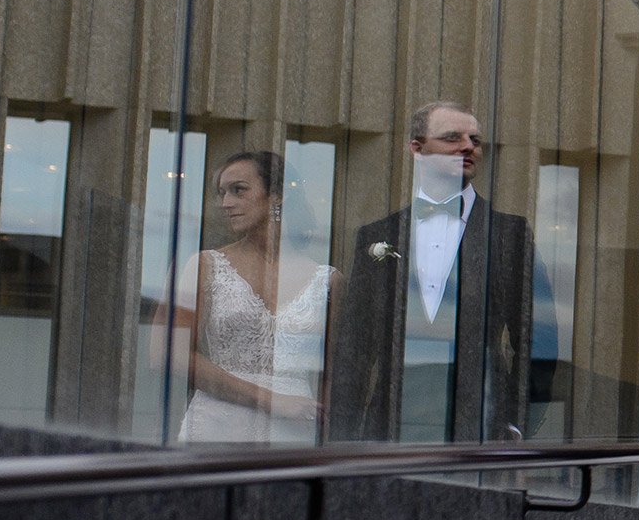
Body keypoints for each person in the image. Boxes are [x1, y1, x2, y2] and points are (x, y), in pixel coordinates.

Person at [325, 101, 535, 443]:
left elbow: (533, 339)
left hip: (478, 426)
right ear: (417, 149)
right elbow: (355, 348)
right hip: (389, 424)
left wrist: (514, 423)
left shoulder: (509, 233)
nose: (468, 146)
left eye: (475, 140)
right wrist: (343, 435)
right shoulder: (378, 235)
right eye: (452, 137)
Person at [177, 150, 334, 443]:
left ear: (277, 196)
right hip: (216, 430)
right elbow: (169, 354)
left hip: (295, 434)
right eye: (222, 193)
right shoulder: (205, 265)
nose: (225, 203)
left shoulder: (327, 280)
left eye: (238, 190)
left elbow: (335, 372)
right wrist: (270, 399)